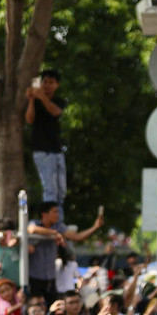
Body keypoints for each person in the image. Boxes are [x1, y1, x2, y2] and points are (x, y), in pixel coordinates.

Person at [27, 201, 102, 302]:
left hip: (50, 277)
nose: (58, 215)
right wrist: (54, 233)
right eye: (55, 212)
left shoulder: (58, 226)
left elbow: (77, 237)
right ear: (44, 214)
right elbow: (31, 229)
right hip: (34, 277)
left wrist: (95, 227)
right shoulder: (35, 223)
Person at [26, 68, 66, 217]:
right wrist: (32, 99)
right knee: (50, 189)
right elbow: (29, 119)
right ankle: (50, 218)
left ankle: (58, 218)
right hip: (42, 150)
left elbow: (55, 112)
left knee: (61, 190)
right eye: (45, 82)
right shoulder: (36, 102)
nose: (47, 85)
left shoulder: (58, 101)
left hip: (57, 150)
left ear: (57, 85)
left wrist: (42, 97)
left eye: (51, 82)